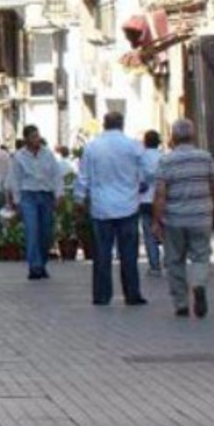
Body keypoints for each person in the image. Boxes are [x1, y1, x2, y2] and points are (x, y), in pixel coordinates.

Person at [153, 119, 214, 318]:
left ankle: (181, 303)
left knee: (175, 260)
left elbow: (160, 194)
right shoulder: (205, 158)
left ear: (173, 137)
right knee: (201, 256)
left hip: (174, 219)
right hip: (201, 216)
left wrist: (157, 220)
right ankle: (199, 284)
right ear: (193, 136)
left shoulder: (166, 161)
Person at [75, 112, 146, 306]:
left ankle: (101, 295)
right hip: (128, 206)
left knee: (102, 254)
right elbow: (145, 174)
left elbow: (83, 176)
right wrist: (139, 186)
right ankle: (132, 294)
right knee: (129, 254)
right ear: (122, 124)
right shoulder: (133, 146)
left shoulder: (92, 147)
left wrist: (79, 199)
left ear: (104, 125)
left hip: (101, 208)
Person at [9, 125, 62, 280]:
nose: (36, 139)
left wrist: (59, 194)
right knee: (32, 230)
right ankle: (34, 266)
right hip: (28, 196)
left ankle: (43, 262)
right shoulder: (19, 156)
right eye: (33, 137)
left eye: (37, 136)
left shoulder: (48, 154)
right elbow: (15, 180)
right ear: (26, 139)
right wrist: (17, 201)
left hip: (46, 195)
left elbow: (56, 174)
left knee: (46, 232)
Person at [139, 130, 164, 276]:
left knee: (149, 233)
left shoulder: (141, 158)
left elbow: (139, 179)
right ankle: (169, 259)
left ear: (145, 142)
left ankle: (154, 265)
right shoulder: (164, 157)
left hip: (146, 200)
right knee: (166, 230)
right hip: (163, 199)